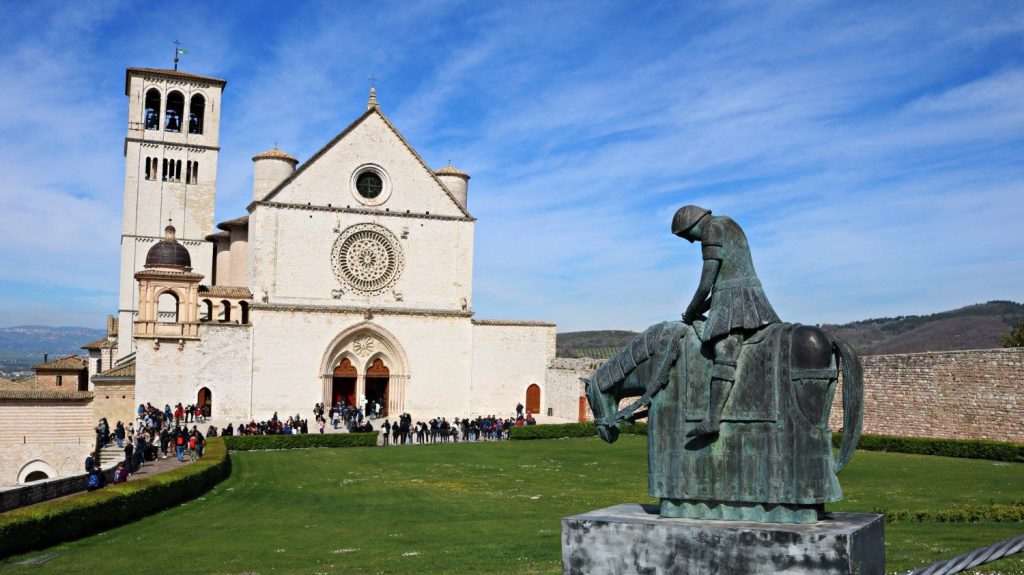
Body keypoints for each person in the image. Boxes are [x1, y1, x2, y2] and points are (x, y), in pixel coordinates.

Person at [671, 205, 781, 437]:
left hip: (736, 300)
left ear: (692, 224)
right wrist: (699, 308)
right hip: (742, 295)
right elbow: (723, 283)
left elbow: (706, 283)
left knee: (724, 351)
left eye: (686, 236)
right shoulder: (728, 223)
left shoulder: (712, 229)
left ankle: (712, 419)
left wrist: (691, 311)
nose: (690, 242)